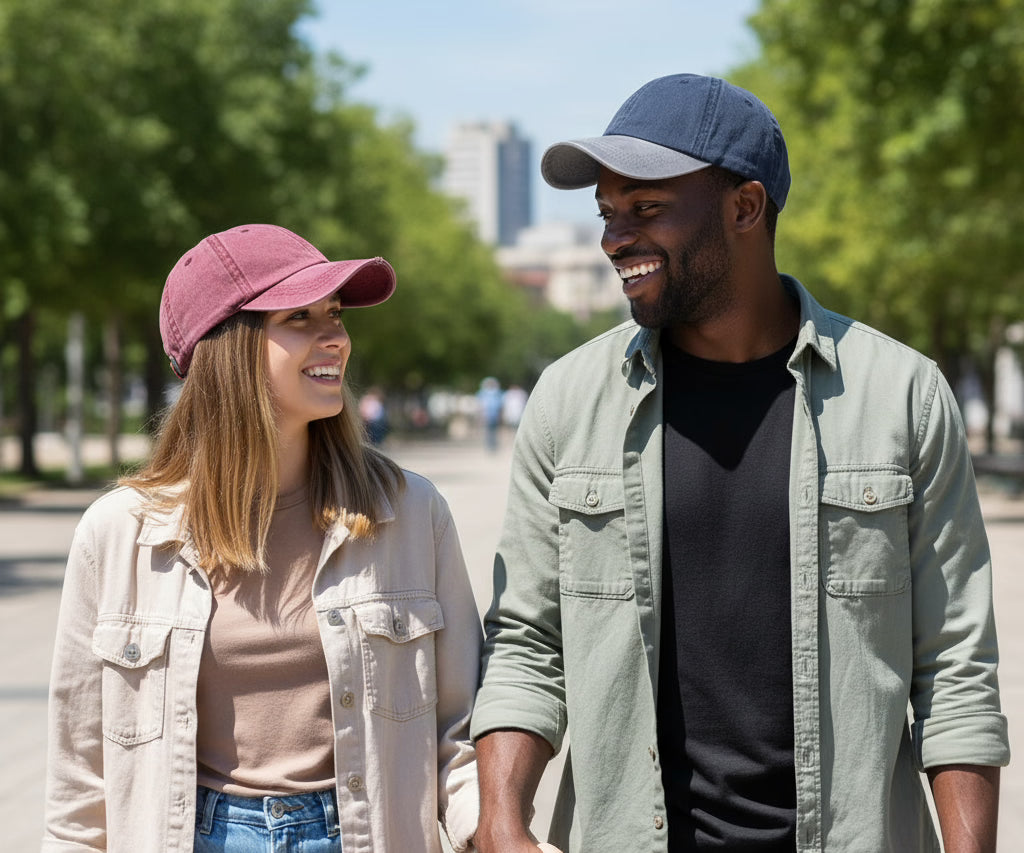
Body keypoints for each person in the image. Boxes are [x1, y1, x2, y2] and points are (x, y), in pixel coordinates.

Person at [470, 75, 1010, 853]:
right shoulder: (567, 400)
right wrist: (501, 820)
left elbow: (956, 666)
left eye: (646, 208)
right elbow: (528, 639)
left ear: (745, 208)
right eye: (607, 212)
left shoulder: (902, 395)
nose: (613, 237)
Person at [43, 224, 481, 852]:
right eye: (300, 318)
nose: (336, 336)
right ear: (229, 349)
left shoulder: (410, 513)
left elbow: (456, 732)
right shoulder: (118, 535)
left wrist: (491, 834)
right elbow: (79, 783)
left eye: (334, 314)